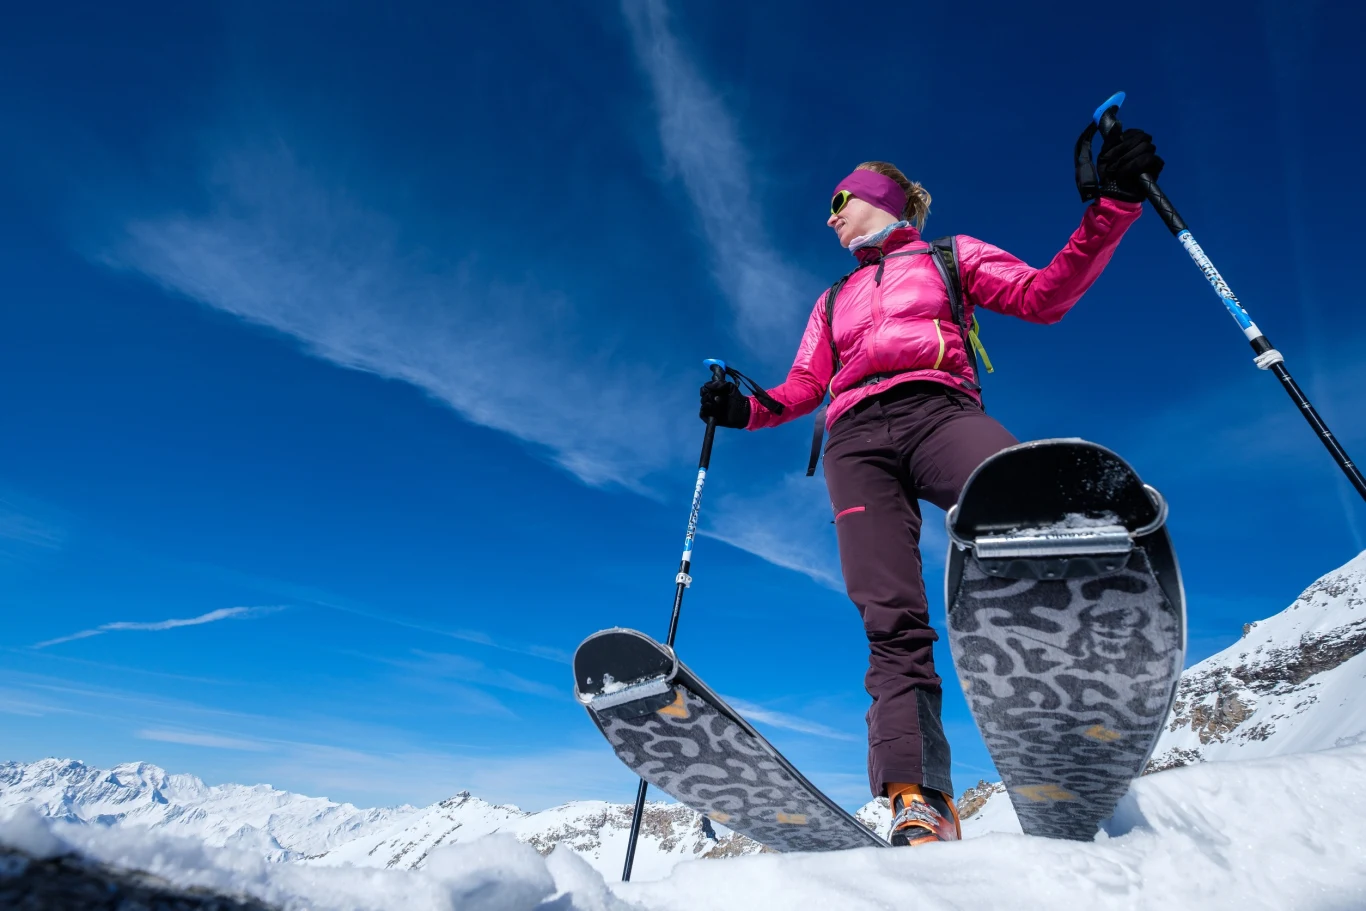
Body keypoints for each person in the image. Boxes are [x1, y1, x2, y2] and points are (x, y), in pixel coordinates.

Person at [699, 127, 1164, 846]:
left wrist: (1111, 210)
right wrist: (744, 407)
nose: (829, 217)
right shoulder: (831, 301)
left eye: (839, 200)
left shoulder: (951, 256)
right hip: (854, 443)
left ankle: (1078, 708)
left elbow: (1045, 294)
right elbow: (801, 388)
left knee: (1025, 506)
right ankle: (919, 799)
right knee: (890, 618)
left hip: (939, 411)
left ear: (881, 197)